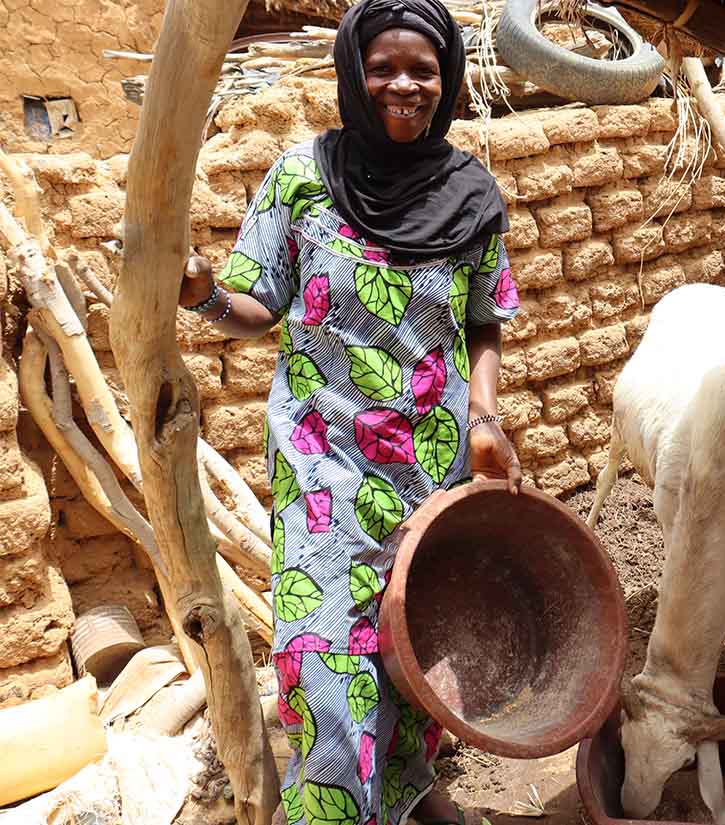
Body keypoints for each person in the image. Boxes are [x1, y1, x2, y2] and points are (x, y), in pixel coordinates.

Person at [178, 1, 520, 822]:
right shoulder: (302, 180)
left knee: (410, 659)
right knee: (321, 665)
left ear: (448, 80)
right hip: (322, 461)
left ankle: (405, 792)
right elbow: (259, 308)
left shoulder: (472, 194)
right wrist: (203, 297)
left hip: (428, 467)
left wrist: (485, 421)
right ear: (352, 73)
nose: (403, 85)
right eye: (383, 67)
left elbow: (483, 322)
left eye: (423, 70)